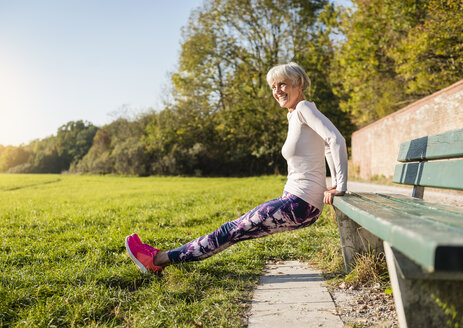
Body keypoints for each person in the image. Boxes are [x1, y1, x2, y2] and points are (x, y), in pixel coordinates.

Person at [125, 62, 348, 274]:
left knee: (230, 230)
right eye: (273, 87)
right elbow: (327, 145)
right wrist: (333, 182)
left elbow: (336, 139)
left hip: (300, 203)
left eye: (282, 84)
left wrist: (340, 185)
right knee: (234, 232)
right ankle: (160, 258)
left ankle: (157, 259)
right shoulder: (294, 115)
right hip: (297, 200)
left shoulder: (303, 108)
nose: (277, 91)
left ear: (299, 83)